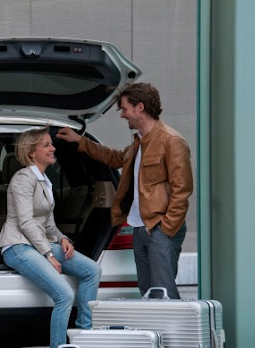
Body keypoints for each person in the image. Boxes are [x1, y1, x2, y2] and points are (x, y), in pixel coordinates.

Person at [57, 82, 193, 300]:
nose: (122, 115)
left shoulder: (171, 141)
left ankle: (172, 333)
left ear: (140, 107)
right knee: (148, 292)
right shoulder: (139, 143)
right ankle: (154, 333)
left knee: (164, 292)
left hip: (158, 228)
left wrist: (165, 229)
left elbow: (182, 191)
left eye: (124, 108)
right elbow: (114, 158)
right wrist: (80, 141)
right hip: (140, 228)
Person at [0, 126, 101, 348]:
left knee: (91, 271)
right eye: (46, 145)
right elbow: (25, 222)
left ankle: (84, 339)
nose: (53, 148)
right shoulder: (23, 178)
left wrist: (63, 239)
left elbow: (48, 224)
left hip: (39, 243)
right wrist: (49, 254)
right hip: (18, 246)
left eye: (51, 144)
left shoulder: (44, 180)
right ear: (31, 153)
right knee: (64, 295)